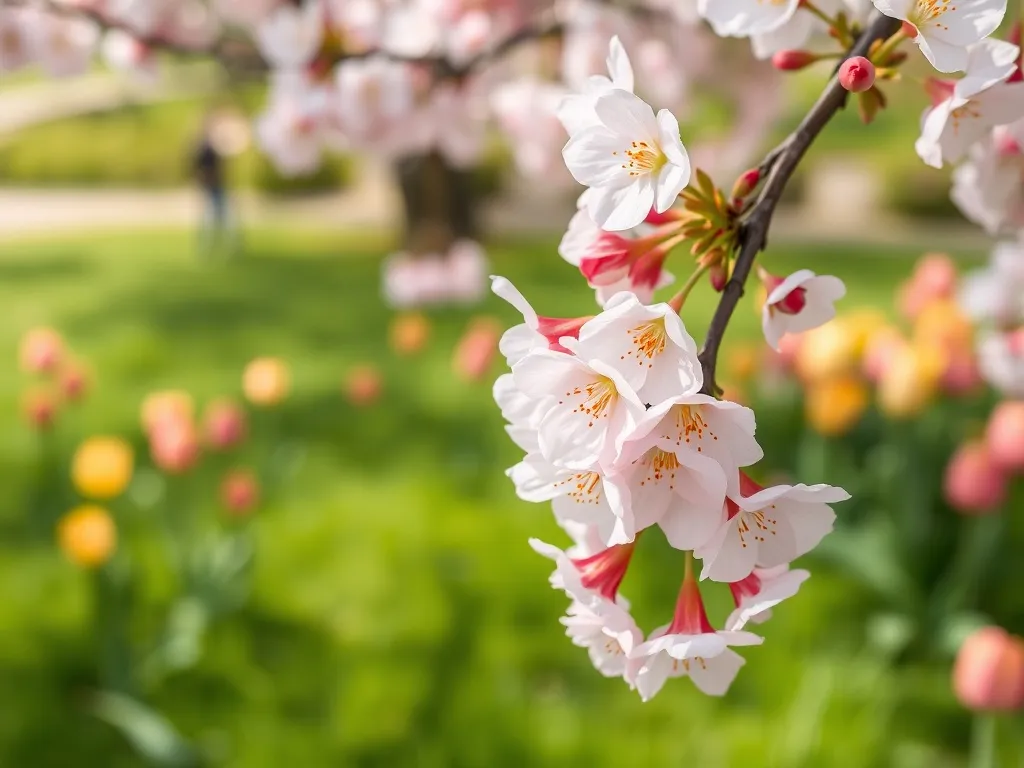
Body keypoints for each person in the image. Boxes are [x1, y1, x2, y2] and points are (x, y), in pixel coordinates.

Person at [192, 115, 235, 256]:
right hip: (210, 188)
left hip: (217, 187)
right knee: (210, 220)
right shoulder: (204, 148)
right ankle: (208, 248)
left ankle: (225, 247)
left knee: (223, 219)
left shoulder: (215, 147)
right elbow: (199, 169)